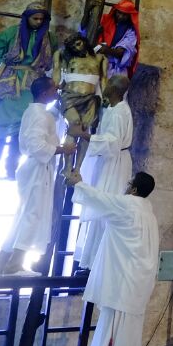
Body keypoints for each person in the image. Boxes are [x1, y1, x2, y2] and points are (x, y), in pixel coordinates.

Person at [67, 167, 157, 346]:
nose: (125, 186)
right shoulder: (147, 212)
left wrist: (79, 183)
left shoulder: (129, 205)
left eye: (128, 183)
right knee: (124, 334)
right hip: (135, 282)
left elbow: (101, 199)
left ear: (134, 189)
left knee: (121, 335)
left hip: (125, 283)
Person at [0, 76, 73, 276]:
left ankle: (3, 263)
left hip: (33, 168)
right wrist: (64, 149)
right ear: (45, 93)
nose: (57, 91)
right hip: (37, 168)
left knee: (24, 214)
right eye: (55, 89)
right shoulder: (40, 116)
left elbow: (48, 120)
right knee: (32, 215)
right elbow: (37, 146)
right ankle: (14, 264)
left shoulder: (35, 111)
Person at [0, 2, 53, 177]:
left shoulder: (49, 39)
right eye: (35, 18)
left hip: (31, 87)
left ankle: (11, 168)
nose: (38, 22)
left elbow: (55, 61)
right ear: (26, 18)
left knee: (22, 128)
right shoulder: (10, 34)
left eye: (41, 19)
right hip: (8, 82)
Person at [71, 74, 133, 275]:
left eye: (108, 84)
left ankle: (98, 262)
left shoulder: (119, 113)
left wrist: (84, 135)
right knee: (99, 206)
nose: (104, 86)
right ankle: (92, 261)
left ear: (114, 90)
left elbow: (112, 143)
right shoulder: (114, 109)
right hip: (109, 161)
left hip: (113, 165)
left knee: (103, 207)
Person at [53, 34, 105, 176]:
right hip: (70, 95)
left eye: (78, 43)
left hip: (90, 98)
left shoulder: (100, 58)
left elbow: (104, 78)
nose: (77, 48)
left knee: (84, 131)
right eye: (73, 47)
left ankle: (77, 168)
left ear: (84, 41)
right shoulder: (64, 55)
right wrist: (54, 85)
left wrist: (105, 98)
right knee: (74, 124)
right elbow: (57, 71)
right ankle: (67, 166)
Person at [94, 0, 140, 80]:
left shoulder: (131, 32)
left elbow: (121, 53)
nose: (121, 16)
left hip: (116, 70)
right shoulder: (104, 20)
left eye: (125, 14)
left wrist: (107, 50)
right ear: (115, 11)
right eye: (119, 12)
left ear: (130, 15)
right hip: (98, 63)